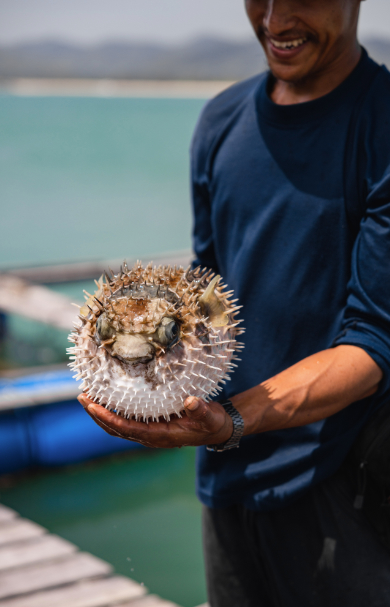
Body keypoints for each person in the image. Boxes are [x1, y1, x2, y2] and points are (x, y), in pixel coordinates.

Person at [79, 0, 390, 604]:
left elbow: (375, 341)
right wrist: (144, 353)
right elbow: (208, 293)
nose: (275, 20)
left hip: (345, 488)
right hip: (225, 480)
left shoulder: (381, 123)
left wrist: (237, 419)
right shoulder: (220, 120)